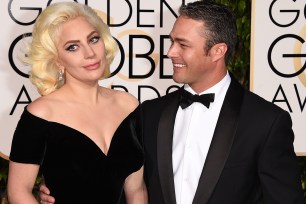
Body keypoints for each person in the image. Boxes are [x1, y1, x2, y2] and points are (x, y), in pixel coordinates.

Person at [39, 1, 304, 204]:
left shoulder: (265, 122)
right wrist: (64, 189)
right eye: (171, 41)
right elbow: (122, 181)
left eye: (182, 45)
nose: (170, 52)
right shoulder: (149, 114)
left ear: (217, 51)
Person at [7, 2, 147, 204]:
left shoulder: (128, 105)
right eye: (72, 47)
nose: (90, 53)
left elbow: (136, 189)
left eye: (93, 39)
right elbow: (18, 193)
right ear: (57, 60)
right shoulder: (41, 114)